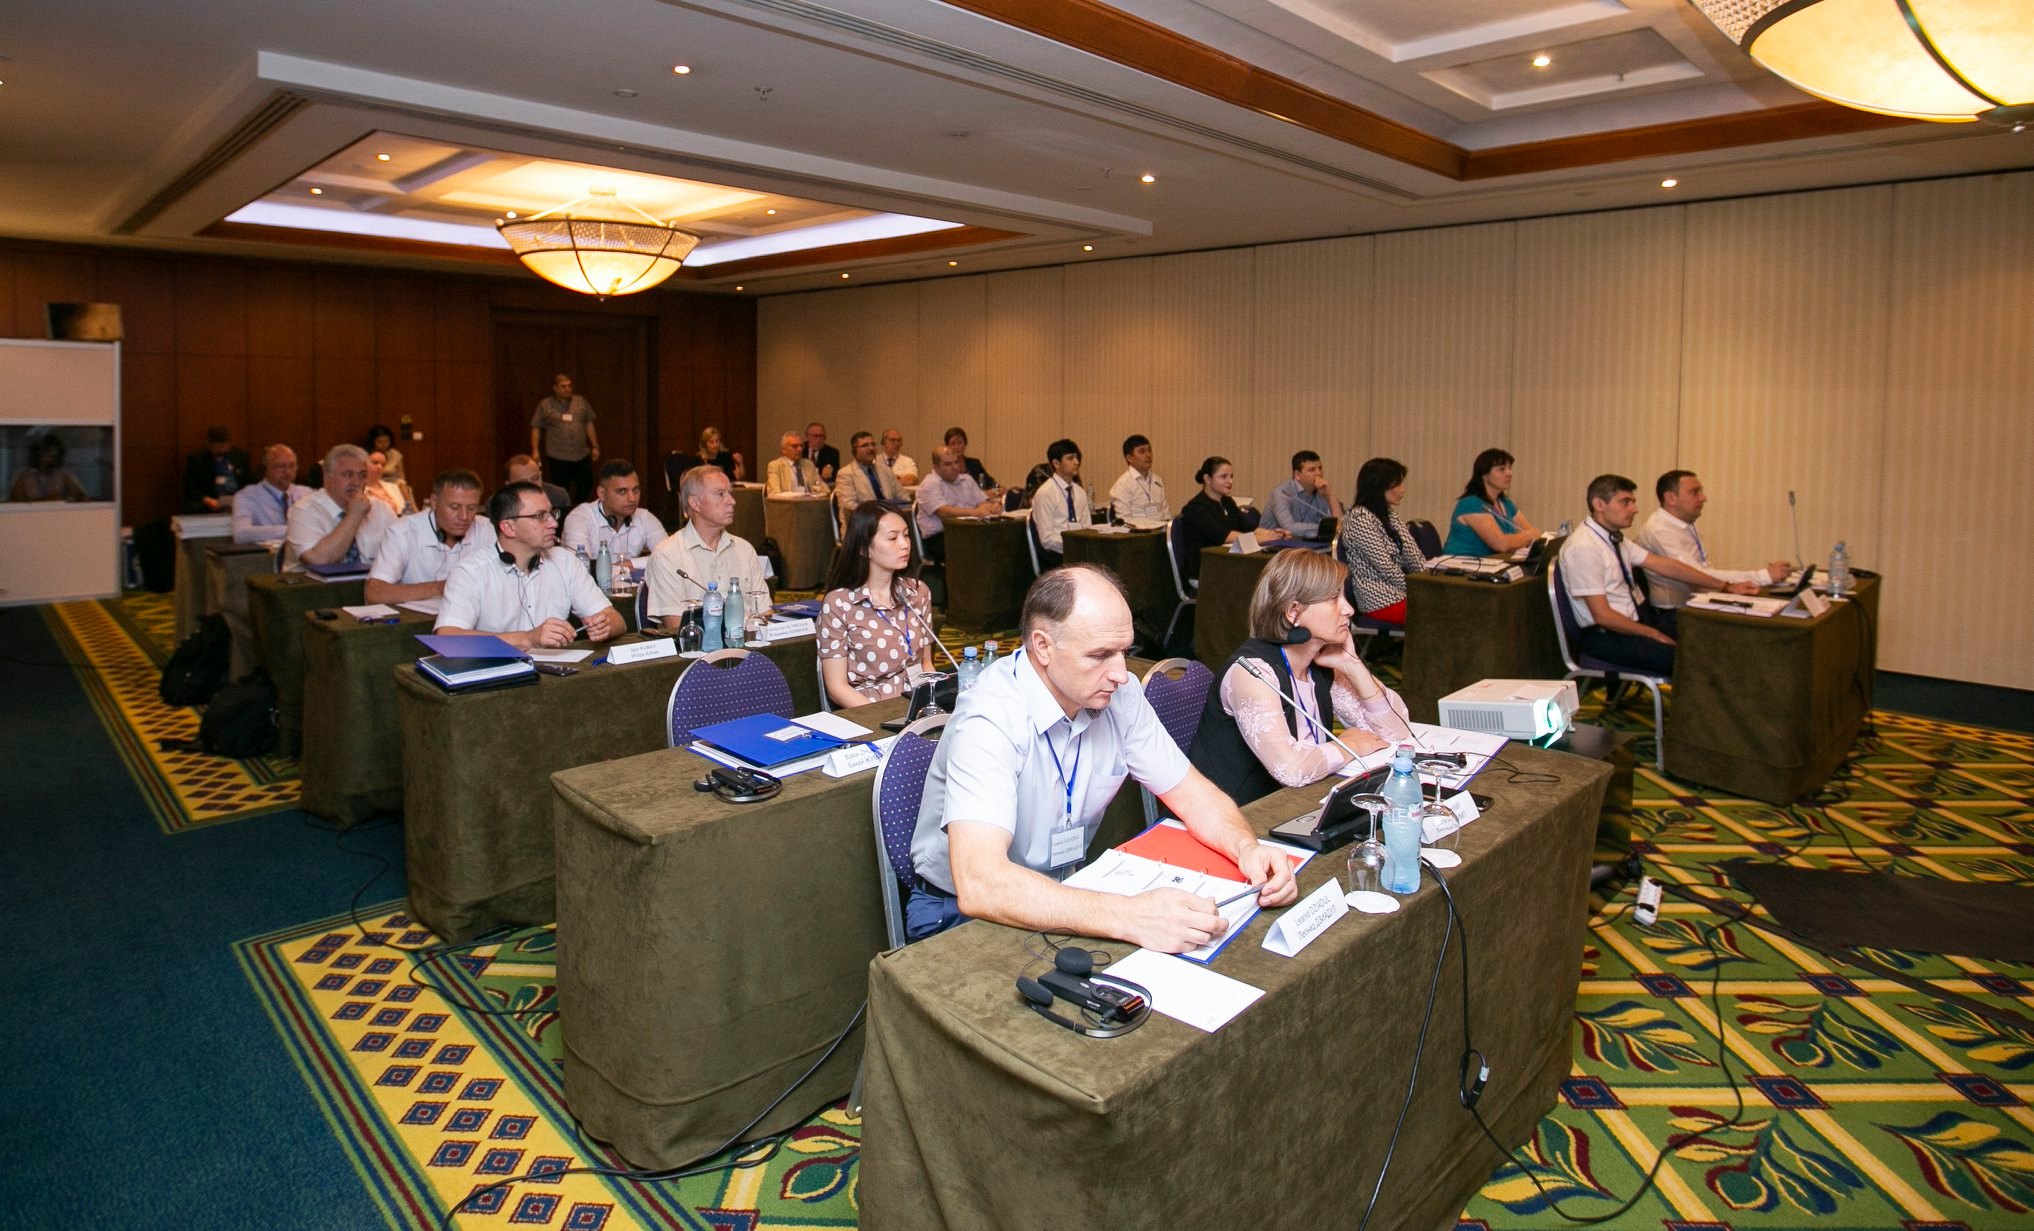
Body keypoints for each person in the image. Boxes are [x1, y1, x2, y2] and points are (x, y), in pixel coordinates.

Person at [904, 565, 1300, 947]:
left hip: (1064, 888)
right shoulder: (990, 716)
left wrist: (1246, 847)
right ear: (1043, 646)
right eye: (1099, 655)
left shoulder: (1120, 695)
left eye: (1124, 651)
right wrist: (1130, 917)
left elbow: (1192, 794)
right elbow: (982, 884)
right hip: (958, 913)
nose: (1121, 673)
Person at [1190, 549, 1413, 807]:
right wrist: (1348, 745)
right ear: (1293, 612)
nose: (1349, 609)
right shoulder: (1252, 673)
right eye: (1333, 598)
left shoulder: (1320, 663)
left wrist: (1354, 667)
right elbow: (1291, 769)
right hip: (1237, 813)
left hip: (1294, 804)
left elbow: (1396, 732)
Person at [1563, 474, 1758, 676]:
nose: (1635, 509)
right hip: (1608, 636)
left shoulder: (1613, 537)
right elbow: (1603, 616)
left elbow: (1666, 566)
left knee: (1709, 635)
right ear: (1599, 504)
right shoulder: (1584, 547)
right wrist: (1653, 634)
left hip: (1635, 622)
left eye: (1633, 502)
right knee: (1696, 659)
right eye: (1625, 502)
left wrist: (1726, 586)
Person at [434, 482, 624, 648]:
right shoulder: (470, 571)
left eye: (552, 514)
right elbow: (447, 637)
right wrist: (527, 639)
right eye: (540, 516)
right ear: (508, 527)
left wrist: (605, 625)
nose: (553, 523)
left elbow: (618, 620)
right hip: (494, 673)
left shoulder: (565, 561)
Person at [819, 503, 935, 708]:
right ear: (864, 549)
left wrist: (932, 705)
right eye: (892, 538)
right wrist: (878, 718)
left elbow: (926, 664)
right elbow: (837, 688)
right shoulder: (840, 604)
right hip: (869, 708)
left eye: (906, 535)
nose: (904, 544)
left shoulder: (918, 592)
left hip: (916, 703)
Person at [1637, 470, 1790, 609]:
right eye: (1695, 492)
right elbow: (1696, 575)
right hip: (1675, 613)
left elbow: (1706, 571)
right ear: (1671, 498)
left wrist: (1759, 577)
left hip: (1698, 602)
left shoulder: (1685, 523)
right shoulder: (1659, 530)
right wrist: (1763, 576)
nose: (1703, 498)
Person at [646, 465, 772, 628]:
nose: (732, 501)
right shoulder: (667, 555)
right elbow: (675, 626)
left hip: (751, 641)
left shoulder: (744, 549)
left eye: (730, 493)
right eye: (720, 494)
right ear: (695, 503)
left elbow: (766, 614)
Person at [365, 469, 495, 604]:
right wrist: (440, 588)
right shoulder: (402, 532)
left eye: (471, 508)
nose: (464, 517)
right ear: (434, 502)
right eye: (454, 507)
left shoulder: (487, 529)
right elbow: (374, 593)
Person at [1339, 457, 1428, 625]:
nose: (1403, 490)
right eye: (1397, 484)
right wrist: (1419, 589)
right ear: (1379, 487)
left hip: (1400, 591)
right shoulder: (1360, 518)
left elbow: (1413, 554)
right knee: (1439, 611)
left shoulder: (1388, 513)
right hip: (1379, 598)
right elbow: (1386, 568)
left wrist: (1428, 581)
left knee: (1446, 603)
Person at [284, 444, 396, 571]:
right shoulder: (303, 510)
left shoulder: (381, 509)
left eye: (362, 475)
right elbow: (318, 561)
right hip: (312, 583)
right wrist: (354, 515)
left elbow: (404, 553)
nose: (356, 482)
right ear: (327, 477)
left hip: (370, 582)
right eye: (348, 474)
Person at [1177, 457, 1278, 583]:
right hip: (1204, 571)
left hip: (1227, 564)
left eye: (1231, 476)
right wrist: (1266, 539)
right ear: (1207, 479)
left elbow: (1249, 528)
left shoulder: (1227, 502)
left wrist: (1274, 533)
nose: (1230, 481)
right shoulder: (1196, 508)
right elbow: (1225, 536)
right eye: (1223, 476)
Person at [562, 459, 666, 560]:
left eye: (636, 490)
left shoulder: (644, 517)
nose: (632, 499)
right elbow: (580, 566)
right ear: (602, 494)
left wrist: (630, 564)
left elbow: (669, 558)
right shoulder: (580, 518)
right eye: (622, 491)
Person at [1443, 448, 1541, 556]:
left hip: (1493, 562)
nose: (1509, 473)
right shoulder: (1471, 503)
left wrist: (1525, 537)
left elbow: (1531, 535)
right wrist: (1528, 535)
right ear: (1485, 475)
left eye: (1509, 468)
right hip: (1462, 562)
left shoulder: (1506, 503)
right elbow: (1501, 544)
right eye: (1502, 469)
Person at [914, 445, 1002, 563]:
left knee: (1000, 542)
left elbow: (982, 502)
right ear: (936, 467)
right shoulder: (929, 484)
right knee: (977, 548)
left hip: (969, 531)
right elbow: (943, 512)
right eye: (948, 464)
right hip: (940, 537)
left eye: (956, 462)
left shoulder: (967, 480)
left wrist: (991, 508)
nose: (955, 467)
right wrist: (975, 512)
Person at [530, 373, 600, 505]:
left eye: (569, 386)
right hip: (558, 455)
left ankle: (577, 507)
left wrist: (595, 446)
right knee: (561, 488)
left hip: (580, 454)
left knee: (586, 483)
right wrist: (535, 451)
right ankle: (564, 511)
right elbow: (536, 427)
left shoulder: (581, 401)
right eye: (563, 386)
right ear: (555, 388)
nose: (568, 389)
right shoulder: (545, 404)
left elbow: (589, 423)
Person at [230, 445, 310, 543]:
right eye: (281, 466)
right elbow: (240, 534)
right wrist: (291, 530)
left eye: (292, 466)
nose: (287, 471)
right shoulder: (247, 496)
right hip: (266, 553)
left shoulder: (307, 494)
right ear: (266, 469)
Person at [1028, 438, 1088, 568]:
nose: (1077, 462)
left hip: (1077, 551)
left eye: (1077, 458)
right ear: (1056, 463)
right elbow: (1047, 539)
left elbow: (1087, 528)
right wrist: (1073, 544)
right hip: (1057, 555)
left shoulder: (1080, 492)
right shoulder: (1045, 493)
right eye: (1070, 458)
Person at [1262, 450, 1342, 541]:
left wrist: (1330, 495)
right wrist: (1323, 529)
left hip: (1305, 545)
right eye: (1312, 470)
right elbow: (1289, 528)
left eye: (1320, 468)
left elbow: (1339, 526)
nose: (1319, 473)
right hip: (1272, 546)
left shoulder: (1321, 492)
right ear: (1297, 475)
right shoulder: (1281, 493)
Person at [836, 430, 905, 517]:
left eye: (873, 444)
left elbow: (903, 496)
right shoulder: (846, 474)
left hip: (890, 519)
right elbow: (848, 505)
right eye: (865, 445)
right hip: (864, 521)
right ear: (854, 450)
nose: (871, 448)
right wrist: (878, 513)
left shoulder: (886, 470)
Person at [181, 425, 250, 513]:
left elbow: (248, 481)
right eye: (217, 447)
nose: (221, 451)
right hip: (210, 499)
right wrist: (207, 500)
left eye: (224, 447)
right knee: (194, 507)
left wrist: (241, 499)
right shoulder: (197, 459)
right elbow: (190, 487)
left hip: (236, 498)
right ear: (209, 444)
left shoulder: (240, 456)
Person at [9, 433, 90, 503]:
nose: (48, 459)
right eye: (45, 454)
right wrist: (44, 500)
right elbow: (15, 502)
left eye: (53, 455)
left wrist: (65, 499)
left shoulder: (64, 475)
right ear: (37, 454)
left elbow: (82, 497)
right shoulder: (24, 476)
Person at [1109, 433, 1169, 522]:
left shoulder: (1157, 480)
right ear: (1130, 458)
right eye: (1142, 451)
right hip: (1137, 530)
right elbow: (1125, 521)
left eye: (1149, 450)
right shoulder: (1123, 484)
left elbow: (1166, 513)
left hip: (1161, 529)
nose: (1148, 455)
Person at [505, 455, 570, 523]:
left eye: (535, 478)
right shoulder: (500, 505)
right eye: (523, 482)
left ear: (541, 475)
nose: (532, 485)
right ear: (509, 485)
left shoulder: (558, 496)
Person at [766, 430, 829, 495]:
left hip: (809, 500)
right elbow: (774, 493)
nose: (799, 449)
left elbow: (824, 489)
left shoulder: (808, 464)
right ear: (783, 450)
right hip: (788, 501)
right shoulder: (775, 466)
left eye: (801, 446)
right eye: (794, 446)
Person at [365, 449, 415, 516]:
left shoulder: (393, 487)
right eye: (375, 463)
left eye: (383, 465)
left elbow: (403, 512)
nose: (379, 467)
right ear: (364, 464)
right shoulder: (359, 489)